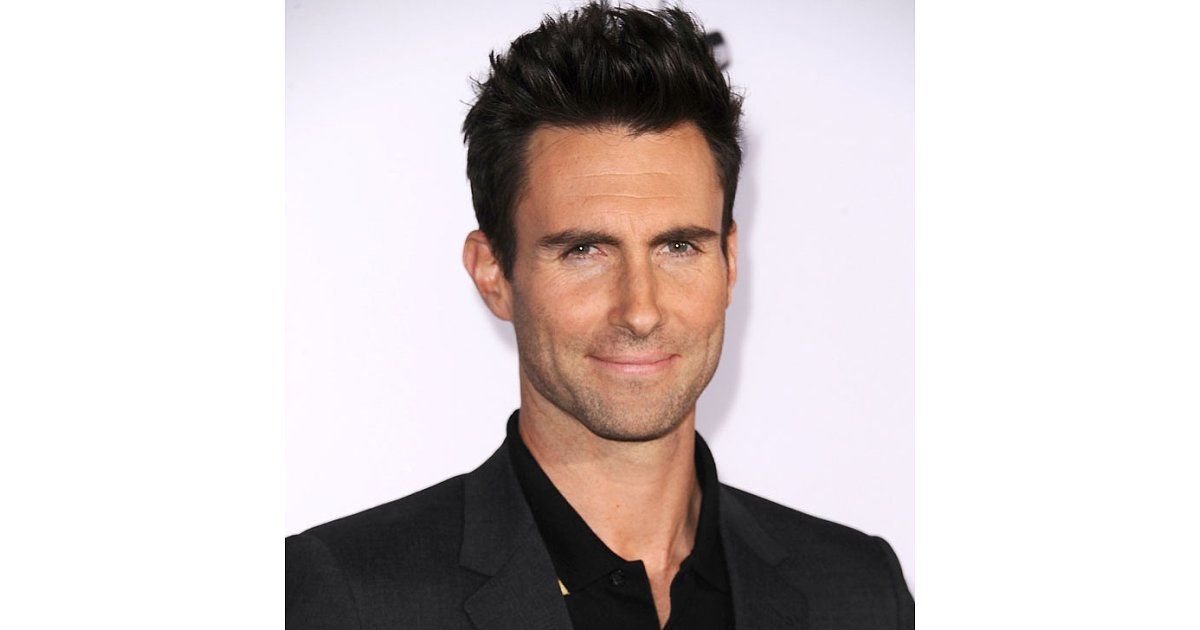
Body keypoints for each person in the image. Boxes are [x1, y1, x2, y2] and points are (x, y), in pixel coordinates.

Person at [286, 3, 913, 628]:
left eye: (678, 247)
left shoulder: (859, 593)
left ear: (729, 262)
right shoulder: (349, 597)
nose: (640, 311)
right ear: (493, 273)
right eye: (584, 251)